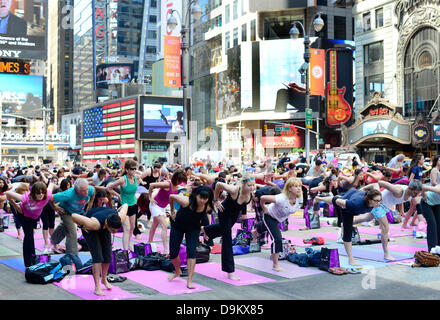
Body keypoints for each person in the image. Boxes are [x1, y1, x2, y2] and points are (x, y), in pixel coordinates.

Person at [202, 175, 256, 280]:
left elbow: (244, 204)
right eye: (249, 185)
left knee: (224, 229)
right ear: (243, 184)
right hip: (224, 212)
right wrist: (216, 200)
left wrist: (244, 216)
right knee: (227, 239)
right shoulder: (235, 189)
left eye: (253, 185)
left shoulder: (250, 193)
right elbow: (218, 185)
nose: (252, 187)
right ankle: (230, 270)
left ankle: (206, 229)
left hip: (234, 214)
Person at [68, 203, 128, 296]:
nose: (114, 233)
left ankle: (104, 279)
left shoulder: (120, 217)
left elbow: (126, 205)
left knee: (108, 255)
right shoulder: (93, 224)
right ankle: (97, 287)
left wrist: (117, 210)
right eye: (113, 231)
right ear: (107, 224)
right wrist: (81, 226)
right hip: (90, 228)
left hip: (104, 225)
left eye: (116, 230)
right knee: (97, 256)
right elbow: (73, 215)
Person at [357, 180, 424, 260]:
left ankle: (346, 223)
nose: (416, 195)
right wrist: (376, 197)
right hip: (379, 204)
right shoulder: (398, 190)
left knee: (367, 218)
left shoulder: (410, 194)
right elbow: (380, 182)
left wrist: (402, 212)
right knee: (385, 227)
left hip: (384, 206)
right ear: (410, 188)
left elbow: (400, 200)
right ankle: (386, 254)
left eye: (417, 194)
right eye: (415, 193)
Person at [315, 188, 382, 266]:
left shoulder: (375, 203)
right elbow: (337, 201)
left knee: (367, 218)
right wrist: (341, 202)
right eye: (376, 201)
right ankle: (351, 259)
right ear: (370, 200)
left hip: (354, 194)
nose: (379, 203)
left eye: (380, 200)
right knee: (348, 233)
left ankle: (321, 198)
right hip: (347, 208)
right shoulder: (356, 204)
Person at [168, 186, 214, 289]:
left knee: (192, 253)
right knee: (173, 254)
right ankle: (177, 271)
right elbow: (171, 196)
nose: (203, 200)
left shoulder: (207, 206)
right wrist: (172, 211)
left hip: (193, 229)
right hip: (178, 226)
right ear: (196, 195)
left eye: (205, 198)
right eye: (201, 197)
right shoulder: (186, 201)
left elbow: (205, 217)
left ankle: (189, 280)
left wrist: (206, 231)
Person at [251, 178, 302, 271]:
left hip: (278, 219)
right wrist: (264, 208)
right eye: (296, 186)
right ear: (289, 188)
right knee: (277, 239)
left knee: (267, 227)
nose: (299, 188)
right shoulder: (281, 198)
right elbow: (262, 198)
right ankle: (275, 265)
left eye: (299, 186)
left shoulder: (299, 198)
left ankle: (256, 231)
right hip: (269, 216)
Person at [6, 182, 54, 267]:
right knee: (29, 236)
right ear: (33, 193)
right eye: (38, 193)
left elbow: (52, 184)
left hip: (34, 217)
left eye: (43, 192)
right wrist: (14, 205)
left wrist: (55, 206)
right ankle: (28, 262)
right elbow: (8, 193)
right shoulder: (25, 198)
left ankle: (32, 258)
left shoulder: (47, 195)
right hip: (23, 215)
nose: (41, 195)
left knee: (31, 235)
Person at [106, 160, 144, 251]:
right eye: (132, 169)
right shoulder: (123, 179)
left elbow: (142, 174)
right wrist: (118, 195)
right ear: (127, 170)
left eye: (135, 169)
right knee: (126, 228)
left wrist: (141, 180)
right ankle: (125, 250)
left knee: (132, 227)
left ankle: (128, 244)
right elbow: (108, 187)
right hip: (124, 205)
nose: (134, 170)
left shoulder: (136, 177)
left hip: (133, 205)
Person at [50, 178, 95, 255]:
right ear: (77, 190)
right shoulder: (68, 194)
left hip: (78, 212)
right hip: (66, 211)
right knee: (72, 231)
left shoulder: (89, 189)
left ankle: (53, 240)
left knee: (65, 226)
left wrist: (90, 203)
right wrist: (55, 207)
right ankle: (72, 255)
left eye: (87, 189)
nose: (86, 192)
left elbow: (93, 191)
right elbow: (50, 197)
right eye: (83, 191)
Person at [147, 169, 188, 254]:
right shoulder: (166, 184)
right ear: (176, 178)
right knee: (164, 225)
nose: (180, 183)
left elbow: (171, 199)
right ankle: (166, 249)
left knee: (155, 224)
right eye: (180, 181)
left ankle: (149, 241)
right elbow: (151, 185)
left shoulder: (177, 186)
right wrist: (150, 197)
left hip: (162, 207)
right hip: (155, 205)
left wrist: (172, 210)